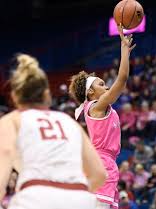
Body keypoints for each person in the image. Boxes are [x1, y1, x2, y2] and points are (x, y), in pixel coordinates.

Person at [0, 54, 107, 209]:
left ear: (15, 97)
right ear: (47, 94)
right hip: (80, 199)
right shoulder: (70, 122)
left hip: (35, 197)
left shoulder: (11, 120)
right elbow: (99, 175)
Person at [69, 25, 135, 209]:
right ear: (90, 92)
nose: (106, 87)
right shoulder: (96, 107)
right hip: (102, 162)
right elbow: (122, 80)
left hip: (107, 164)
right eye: (102, 84)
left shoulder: (101, 108)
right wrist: (124, 51)